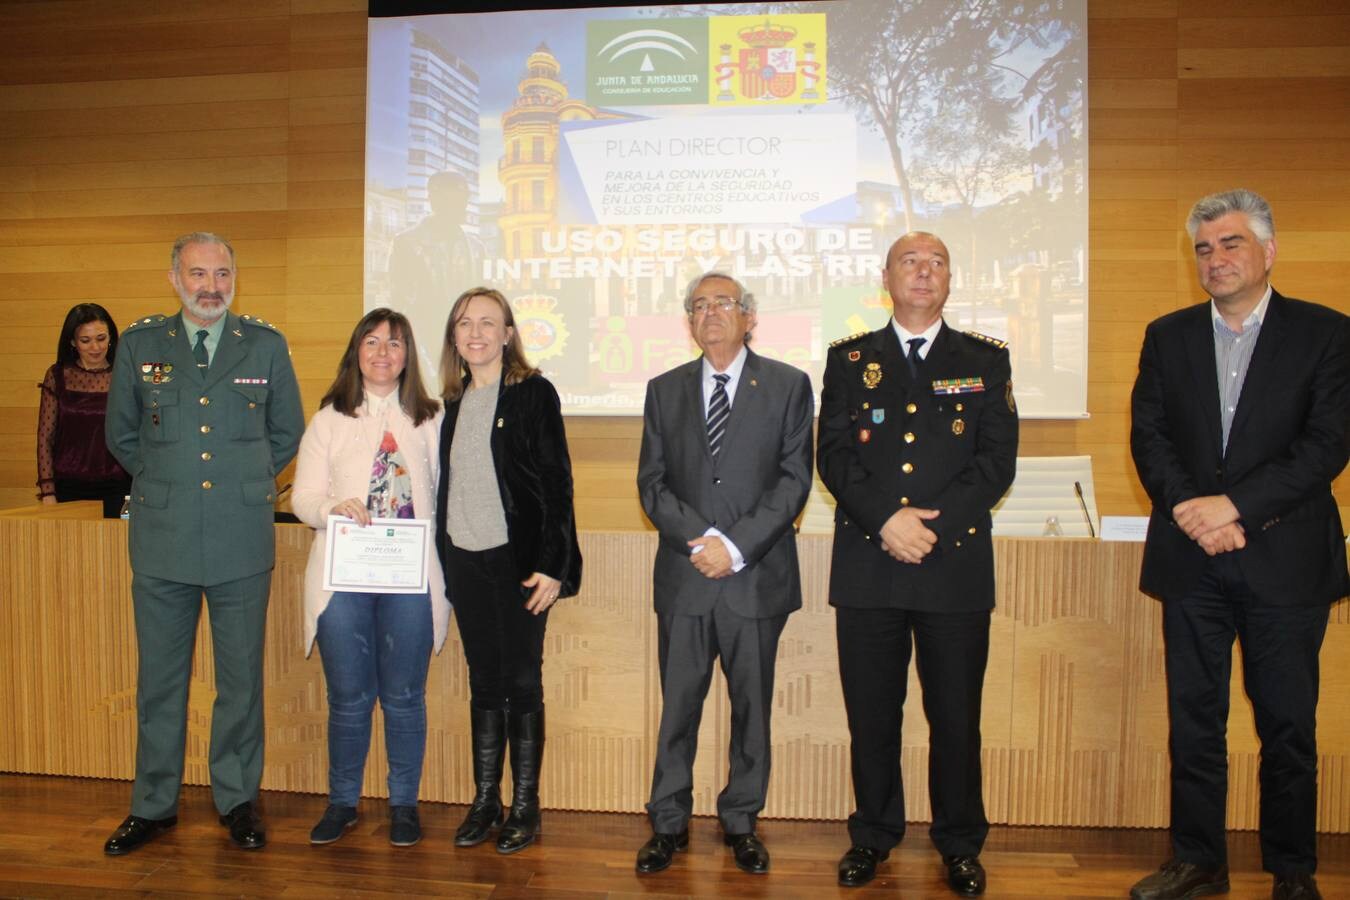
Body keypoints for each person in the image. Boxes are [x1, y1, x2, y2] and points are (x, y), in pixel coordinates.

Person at [1128, 189, 1349, 900]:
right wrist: (1194, 510)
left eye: (1230, 244)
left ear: (1268, 251)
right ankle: (1199, 861)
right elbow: (1149, 436)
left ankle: (1291, 871)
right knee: (1195, 724)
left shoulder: (1327, 334)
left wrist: (1235, 507)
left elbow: (1327, 445)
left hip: (1285, 561)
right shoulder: (1167, 335)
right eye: (1203, 248)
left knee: (1287, 727)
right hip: (1191, 559)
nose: (1216, 259)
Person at [817, 232, 1018, 894]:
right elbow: (836, 455)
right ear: (887, 278)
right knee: (872, 714)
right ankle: (873, 834)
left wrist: (929, 528)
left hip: (951, 565)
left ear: (950, 280)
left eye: (937, 262)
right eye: (911, 261)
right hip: (870, 564)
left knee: (955, 716)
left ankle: (959, 842)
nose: (924, 272)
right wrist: (885, 521)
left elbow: (996, 461)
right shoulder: (850, 359)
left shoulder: (985, 360)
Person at [102, 232, 304, 855]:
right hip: (163, 537)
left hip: (241, 537)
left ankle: (237, 799)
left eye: (221, 273)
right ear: (174, 278)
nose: (210, 286)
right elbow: (122, 435)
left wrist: (242, 484)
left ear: (234, 278)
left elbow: (287, 429)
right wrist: (168, 480)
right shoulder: (139, 344)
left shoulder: (264, 345)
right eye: (197, 274)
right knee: (160, 680)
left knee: (240, 679)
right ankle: (153, 805)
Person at [634, 272, 814, 876]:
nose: (711, 313)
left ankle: (741, 820)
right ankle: (668, 822)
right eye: (699, 305)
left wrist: (733, 547)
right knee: (677, 708)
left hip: (754, 577)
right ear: (689, 322)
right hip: (686, 578)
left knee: (751, 709)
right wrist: (702, 542)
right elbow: (652, 484)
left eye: (724, 304)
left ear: (749, 318)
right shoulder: (664, 390)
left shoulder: (789, 386)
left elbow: (794, 482)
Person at [291, 309, 448, 848]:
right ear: (356, 351)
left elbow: (447, 495)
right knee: (350, 698)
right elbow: (301, 500)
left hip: (411, 578)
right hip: (343, 579)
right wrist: (335, 506)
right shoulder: (329, 419)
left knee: (405, 696)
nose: (383, 353)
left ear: (409, 356)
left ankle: (404, 804)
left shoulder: (430, 418)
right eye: (373, 342)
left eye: (396, 344)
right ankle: (342, 803)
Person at [434, 286, 581, 855]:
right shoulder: (453, 402)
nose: (476, 333)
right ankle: (485, 800)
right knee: (484, 683)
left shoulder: (533, 394)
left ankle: (525, 805)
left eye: (488, 323)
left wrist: (552, 565)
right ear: (455, 337)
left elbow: (557, 484)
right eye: (465, 323)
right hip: (466, 561)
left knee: (522, 684)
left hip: (519, 564)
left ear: (509, 334)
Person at [36, 303, 131, 516]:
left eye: (101, 338)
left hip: (120, 484)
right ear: (72, 342)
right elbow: (45, 438)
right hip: (69, 485)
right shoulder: (57, 375)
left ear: (111, 338)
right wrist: (48, 491)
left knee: (117, 548)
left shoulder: (125, 374)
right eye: (85, 341)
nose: (95, 348)